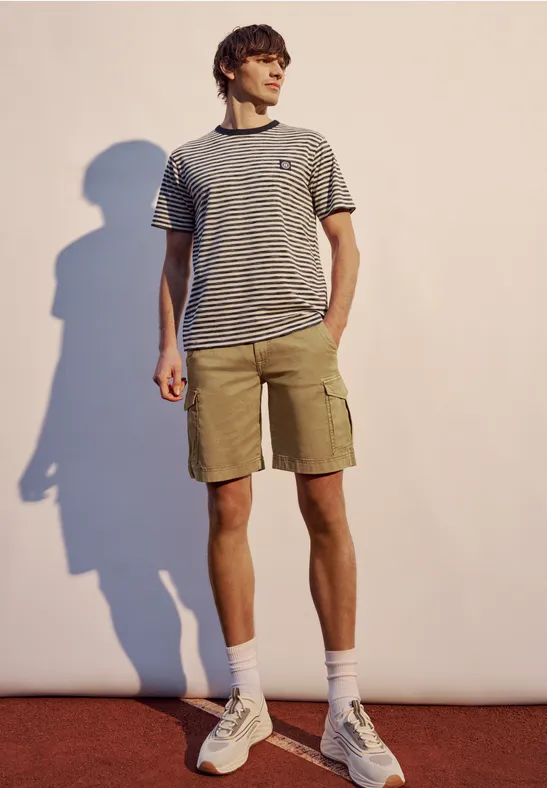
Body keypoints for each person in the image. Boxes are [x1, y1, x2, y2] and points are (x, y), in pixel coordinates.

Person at [151, 23, 405, 788]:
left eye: (283, 63)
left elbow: (345, 242)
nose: (277, 73)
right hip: (215, 349)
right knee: (227, 511)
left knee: (325, 507)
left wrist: (329, 330)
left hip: (301, 343)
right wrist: (168, 346)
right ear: (229, 68)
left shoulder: (311, 146)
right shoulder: (186, 161)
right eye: (264, 60)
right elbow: (174, 259)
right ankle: (248, 697)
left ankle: (343, 707)